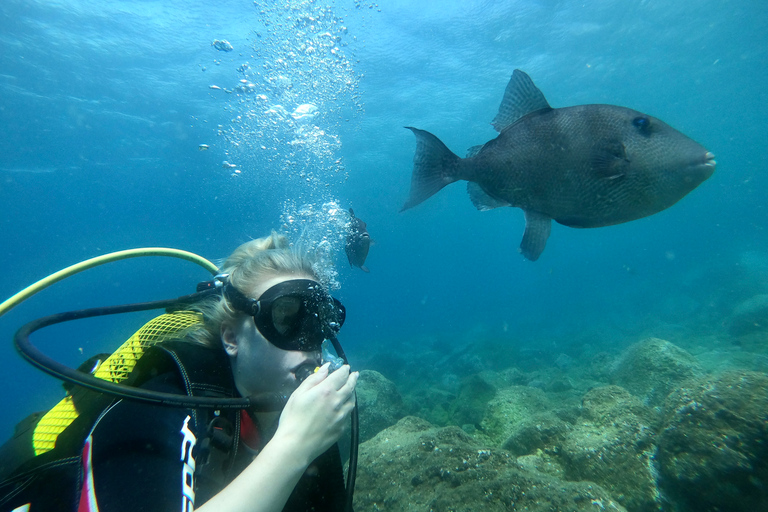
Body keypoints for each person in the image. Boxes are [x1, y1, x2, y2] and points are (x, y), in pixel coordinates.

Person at [1, 232, 359, 512]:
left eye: (317, 322)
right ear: (231, 337)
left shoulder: (304, 418)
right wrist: (295, 446)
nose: (308, 344)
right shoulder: (162, 404)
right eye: (285, 317)